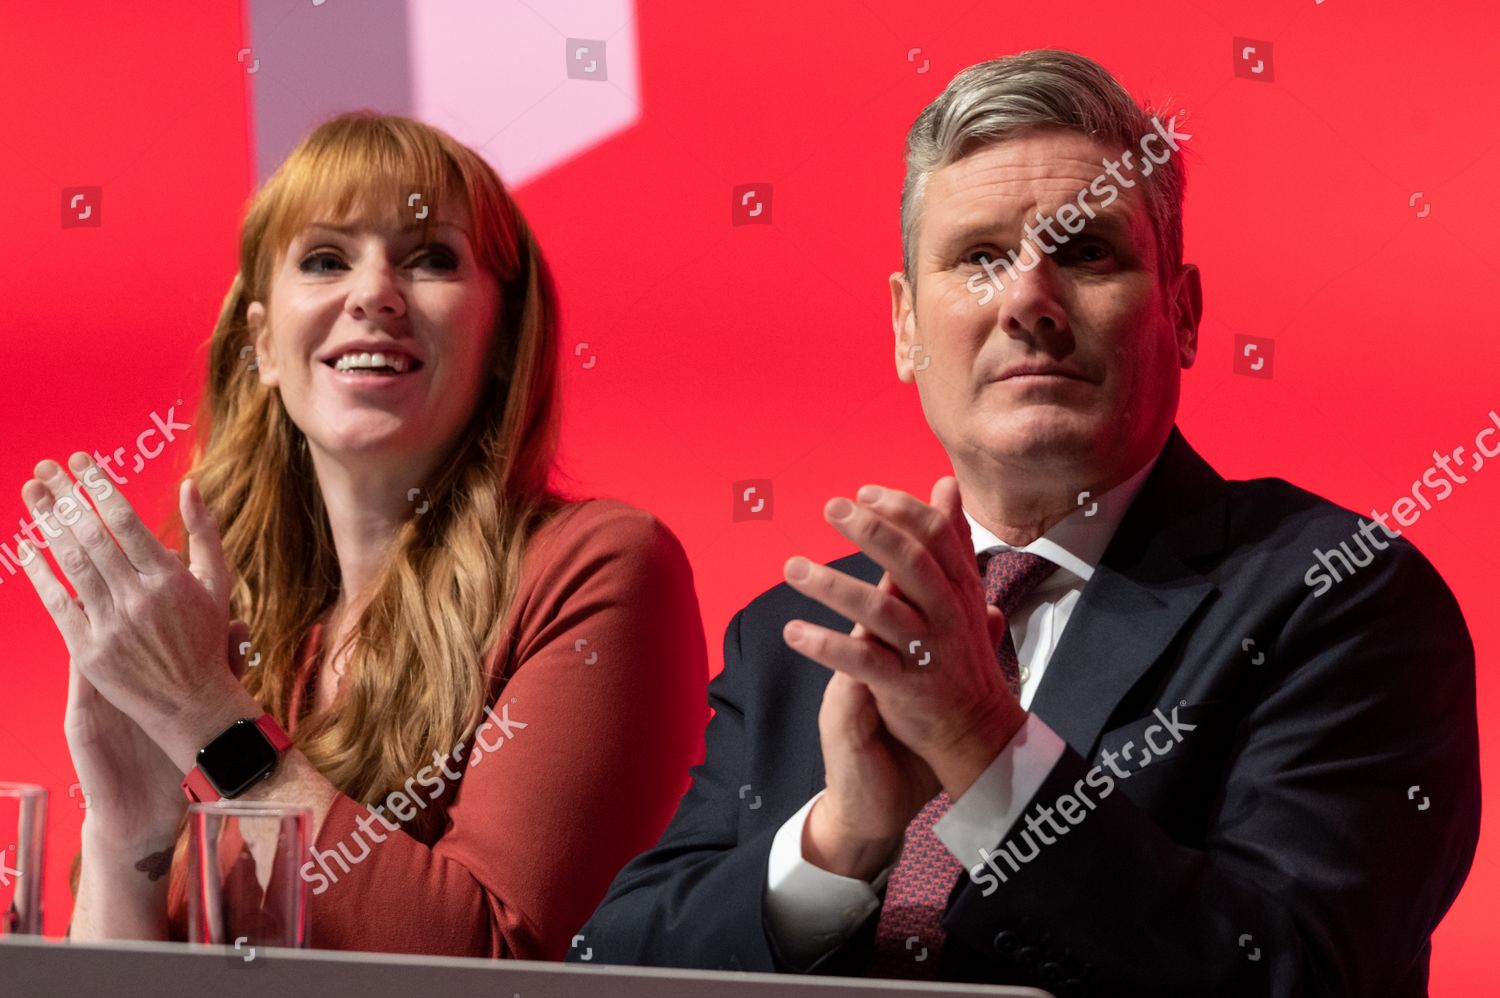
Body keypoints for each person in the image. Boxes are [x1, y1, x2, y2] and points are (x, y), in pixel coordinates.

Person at [568, 50, 1481, 995]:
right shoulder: (798, 639)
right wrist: (838, 845)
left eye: (1086, 252)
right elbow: (613, 966)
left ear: (1185, 311)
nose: (1028, 302)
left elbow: (1297, 972)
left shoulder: (1337, 596)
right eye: (979, 258)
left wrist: (980, 743)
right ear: (904, 328)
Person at [18, 111, 708, 958]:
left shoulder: (599, 566)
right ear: (265, 345)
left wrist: (202, 712)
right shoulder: (245, 628)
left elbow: (497, 958)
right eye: (324, 259)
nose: (374, 292)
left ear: (502, 336)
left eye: (431, 259)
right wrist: (129, 833)